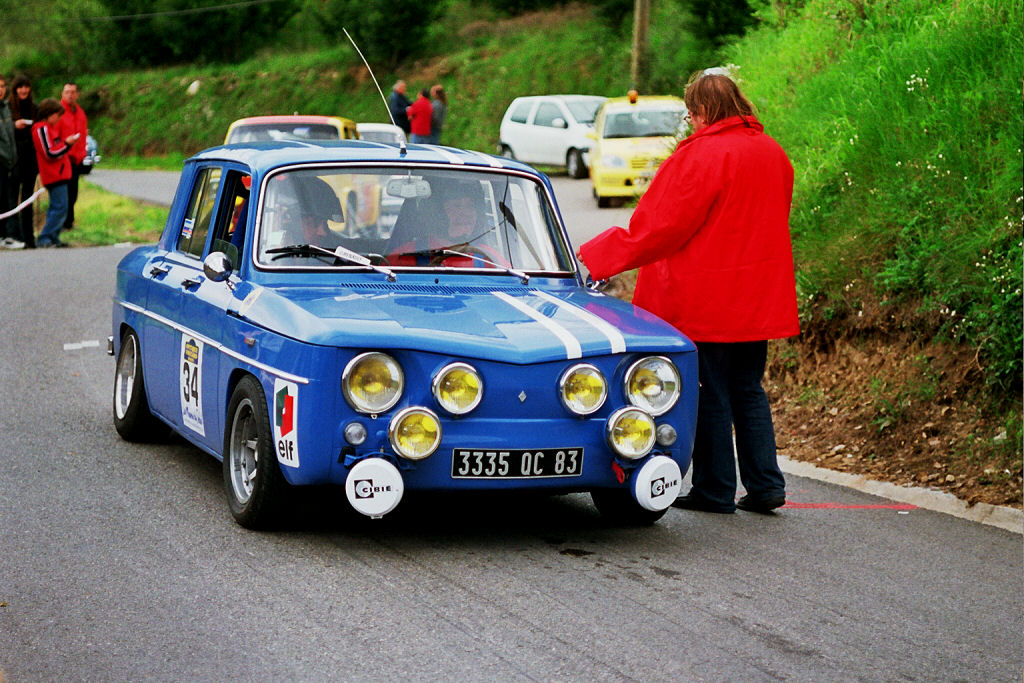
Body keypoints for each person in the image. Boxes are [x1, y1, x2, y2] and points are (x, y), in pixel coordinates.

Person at [577, 72, 799, 515]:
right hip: (757, 297)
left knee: (711, 392)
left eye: (691, 112)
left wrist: (593, 258)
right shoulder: (773, 153)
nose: (691, 121)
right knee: (748, 389)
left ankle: (715, 490)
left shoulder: (700, 156)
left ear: (701, 111)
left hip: (707, 298)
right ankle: (766, 485)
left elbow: (659, 228)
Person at [32, 97, 78, 248]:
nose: (58, 119)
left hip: (60, 174)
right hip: (53, 174)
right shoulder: (41, 128)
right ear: (49, 113)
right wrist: (67, 144)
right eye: (57, 115)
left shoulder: (50, 129)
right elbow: (50, 153)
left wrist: (65, 143)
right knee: (59, 207)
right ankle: (45, 237)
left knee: (60, 206)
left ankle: (53, 236)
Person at [9, 75, 38, 248]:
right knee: (12, 198)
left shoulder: (34, 108)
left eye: (26, 87)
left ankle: (29, 237)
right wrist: (14, 125)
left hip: (30, 159)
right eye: (20, 87)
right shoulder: (8, 109)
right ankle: (14, 235)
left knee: (28, 199)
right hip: (13, 158)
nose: (23, 90)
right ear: (15, 89)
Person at [58, 81, 88, 231]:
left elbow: (83, 135)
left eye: (73, 92)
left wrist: (82, 154)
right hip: (63, 157)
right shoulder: (58, 111)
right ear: (62, 94)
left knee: (73, 192)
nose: (70, 95)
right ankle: (63, 222)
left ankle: (69, 221)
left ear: (77, 94)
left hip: (76, 158)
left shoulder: (80, 112)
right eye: (67, 92)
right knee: (64, 192)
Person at [0, 74, 23, 250]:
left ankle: (9, 235)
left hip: (9, 163)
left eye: (2, 86)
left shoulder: (7, 108)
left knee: (8, 201)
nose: (0, 90)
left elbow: (9, 138)